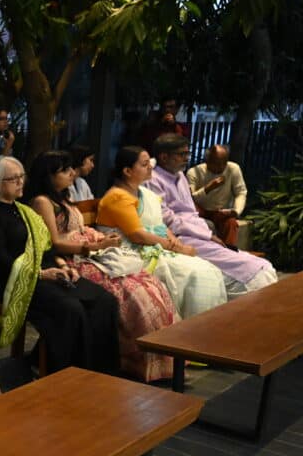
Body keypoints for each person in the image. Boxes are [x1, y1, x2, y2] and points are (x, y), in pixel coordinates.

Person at [25, 152, 176, 382]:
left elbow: (78, 230)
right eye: (65, 170)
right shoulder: (42, 202)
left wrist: (99, 241)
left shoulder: (62, 197)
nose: (72, 173)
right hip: (71, 259)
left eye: (71, 168)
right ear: (48, 175)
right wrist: (93, 246)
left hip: (89, 252)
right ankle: (125, 359)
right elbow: (54, 243)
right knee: (130, 292)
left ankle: (152, 359)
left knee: (149, 284)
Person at [0, 155, 120, 375]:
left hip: (46, 272)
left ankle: (98, 371)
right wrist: (40, 274)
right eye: (13, 179)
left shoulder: (23, 210)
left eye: (21, 176)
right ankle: (64, 373)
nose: (20, 182)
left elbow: (47, 247)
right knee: (71, 309)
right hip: (13, 280)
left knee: (105, 301)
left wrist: (63, 266)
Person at [96, 146, 227, 318]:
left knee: (209, 270)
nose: (151, 166)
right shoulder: (117, 197)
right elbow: (138, 235)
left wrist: (175, 241)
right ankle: (189, 329)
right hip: (133, 252)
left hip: (154, 247)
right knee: (197, 275)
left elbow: (159, 225)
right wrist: (178, 248)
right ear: (127, 171)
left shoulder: (144, 193)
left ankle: (207, 327)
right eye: (144, 164)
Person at [146, 134, 276, 297]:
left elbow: (191, 211)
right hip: (182, 235)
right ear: (164, 157)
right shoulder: (154, 179)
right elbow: (169, 220)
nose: (187, 158)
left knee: (261, 264)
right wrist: (207, 234)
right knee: (256, 273)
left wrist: (232, 213)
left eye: (188, 153)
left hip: (201, 225)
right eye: (182, 154)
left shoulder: (180, 175)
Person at [186, 144, 247, 246]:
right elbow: (191, 199)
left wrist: (236, 211)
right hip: (200, 210)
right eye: (217, 163)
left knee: (231, 223)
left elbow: (241, 192)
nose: (221, 167)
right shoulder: (193, 172)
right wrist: (208, 188)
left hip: (220, 211)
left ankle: (229, 250)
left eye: (224, 163)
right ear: (207, 161)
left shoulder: (233, 168)